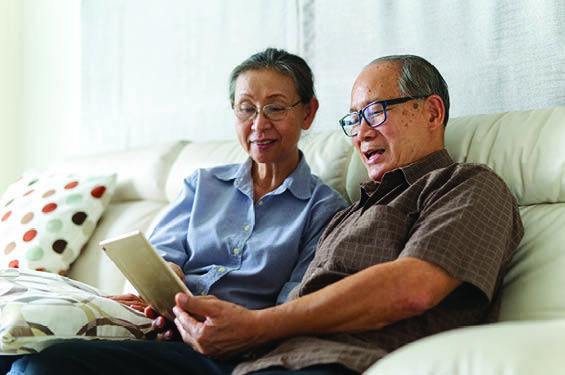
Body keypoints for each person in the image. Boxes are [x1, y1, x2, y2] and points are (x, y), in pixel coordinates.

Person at [12, 55, 524, 375]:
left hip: (319, 362)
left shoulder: (468, 186)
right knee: (43, 364)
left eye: (376, 112)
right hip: (248, 359)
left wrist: (254, 326)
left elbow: (411, 288)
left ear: (432, 112)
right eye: (355, 119)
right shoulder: (356, 209)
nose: (362, 131)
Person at [0, 48, 347, 374]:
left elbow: (293, 306)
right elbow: (158, 255)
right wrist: (164, 276)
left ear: (308, 112)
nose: (258, 124)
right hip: (160, 329)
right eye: (246, 108)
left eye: (275, 107)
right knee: (13, 350)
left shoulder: (324, 208)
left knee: (46, 366)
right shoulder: (202, 184)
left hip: (231, 351)